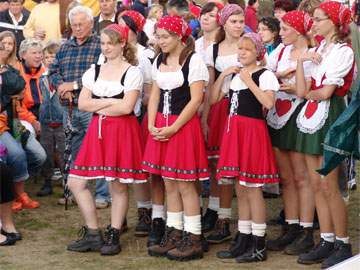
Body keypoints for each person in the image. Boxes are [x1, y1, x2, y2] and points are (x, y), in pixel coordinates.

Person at [66, 23, 147, 256]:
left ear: (123, 44)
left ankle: (113, 233)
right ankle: (93, 233)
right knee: (76, 182)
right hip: (97, 130)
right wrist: (111, 102)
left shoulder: (132, 72)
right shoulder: (94, 70)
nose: (106, 47)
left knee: (117, 185)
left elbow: (127, 107)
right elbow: (83, 104)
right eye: (102, 43)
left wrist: (99, 104)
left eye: (111, 43)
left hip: (122, 130)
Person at [143, 15, 209, 261]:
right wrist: (151, 123)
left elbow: (196, 100)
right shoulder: (159, 59)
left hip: (182, 126)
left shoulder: (194, 61)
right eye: (158, 36)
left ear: (178, 36)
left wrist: (174, 127)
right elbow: (155, 95)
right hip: (161, 123)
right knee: (168, 181)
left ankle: (193, 237)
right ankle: (174, 232)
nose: (160, 41)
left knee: (184, 183)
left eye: (164, 37)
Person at [294, 2, 354, 267]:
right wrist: (300, 60)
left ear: (333, 22)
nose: (314, 24)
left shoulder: (343, 51)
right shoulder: (318, 49)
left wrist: (309, 93)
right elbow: (301, 90)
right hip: (311, 114)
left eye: (319, 20)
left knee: (329, 184)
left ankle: (343, 242)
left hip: (330, 115)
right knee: (316, 183)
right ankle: (326, 239)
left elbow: (325, 93)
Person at [214, 32, 279, 263]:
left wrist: (249, 79)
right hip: (234, 132)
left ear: (258, 53)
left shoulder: (265, 75)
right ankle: (243, 236)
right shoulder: (235, 75)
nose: (241, 53)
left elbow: (269, 103)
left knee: (252, 188)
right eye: (239, 49)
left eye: (247, 49)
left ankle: (259, 243)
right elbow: (213, 100)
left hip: (251, 133)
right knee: (240, 189)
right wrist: (222, 76)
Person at [265, 10, 316, 256]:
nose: (281, 33)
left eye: (286, 29)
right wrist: (281, 75)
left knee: (301, 176)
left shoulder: (313, 53)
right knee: (286, 177)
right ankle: (291, 226)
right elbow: (264, 72)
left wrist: (297, 85)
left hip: (301, 114)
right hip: (279, 115)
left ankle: (306, 230)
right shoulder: (282, 51)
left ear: (298, 30)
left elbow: (317, 83)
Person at [48, 6, 108, 207]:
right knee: (72, 149)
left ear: (91, 23)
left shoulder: (101, 45)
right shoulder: (64, 47)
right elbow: (53, 71)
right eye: (74, 25)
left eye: (82, 24)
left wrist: (73, 85)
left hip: (92, 107)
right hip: (69, 107)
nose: (78, 28)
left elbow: (103, 74)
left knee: (99, 149)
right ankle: (72, 191)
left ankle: (102, 195)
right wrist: (60, 86)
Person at [204, 4, 244, 242]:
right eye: (234, 21)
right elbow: (210, 89)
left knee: (234, 164)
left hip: (242, 107)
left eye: (241, 21)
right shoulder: (214, 50)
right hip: (220, 107)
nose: (238, 26)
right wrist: (204, 117)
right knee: (217, 163)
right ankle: (218, 212)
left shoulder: (249, 45)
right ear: (224, 23)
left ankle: (226, 218)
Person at [0, 40, 46, 212]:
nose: (6, 49)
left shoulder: (10, 71)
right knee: (17, 154)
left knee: (39, 155)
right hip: (2, 126)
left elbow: (19, 93)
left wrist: (31, 120)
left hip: (15, 122)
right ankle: (14, 193)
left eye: (8, 47)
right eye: (2, 47)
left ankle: (16, 187)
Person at [36, 41, 64, 197]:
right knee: (46, 152)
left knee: (62, 153)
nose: (49, 59)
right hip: (46, 120)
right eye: (46, 57)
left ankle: (66, 182)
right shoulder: (42, 78)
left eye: (53, 56)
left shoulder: (62, 77)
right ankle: (47, 182)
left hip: (61, 121)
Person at [18, 38, 45, 124]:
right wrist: (33, 121)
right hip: (23, 118)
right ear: (23, 55)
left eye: (40, 52)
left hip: (46, 116)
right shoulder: (16, 73)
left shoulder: (46, 73)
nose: (38, 56)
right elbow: (16, 106)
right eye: (34, 53)